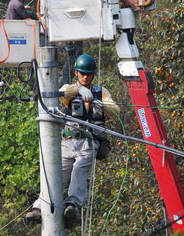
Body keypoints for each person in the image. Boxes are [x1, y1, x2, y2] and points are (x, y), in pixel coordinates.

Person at [25, 54, 120, 229]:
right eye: (82, 73)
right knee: (56, 174)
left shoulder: (101, 91)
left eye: (89, 74)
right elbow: (62, 93)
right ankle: (40, 206)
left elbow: (115, 111)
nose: (85, 77)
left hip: (89, 143)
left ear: (93, 75)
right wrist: (79, 91)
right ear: (76, 72)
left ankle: (72, 206)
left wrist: (99, 102)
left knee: (79, 172)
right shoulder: (69, 88)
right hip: (68, 141)